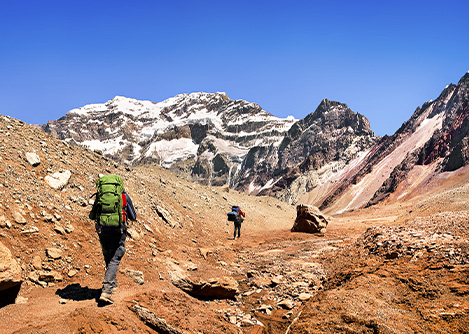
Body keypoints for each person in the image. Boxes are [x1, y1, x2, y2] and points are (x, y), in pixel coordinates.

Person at [89, 175, 137, 304]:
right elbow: (133, 216)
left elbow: (92, 215)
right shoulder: (123, 197)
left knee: (108, 256)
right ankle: (107, 290)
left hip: (102, 230)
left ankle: (112, 284)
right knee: (116, 257)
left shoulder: (100, 196)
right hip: (118, 230)